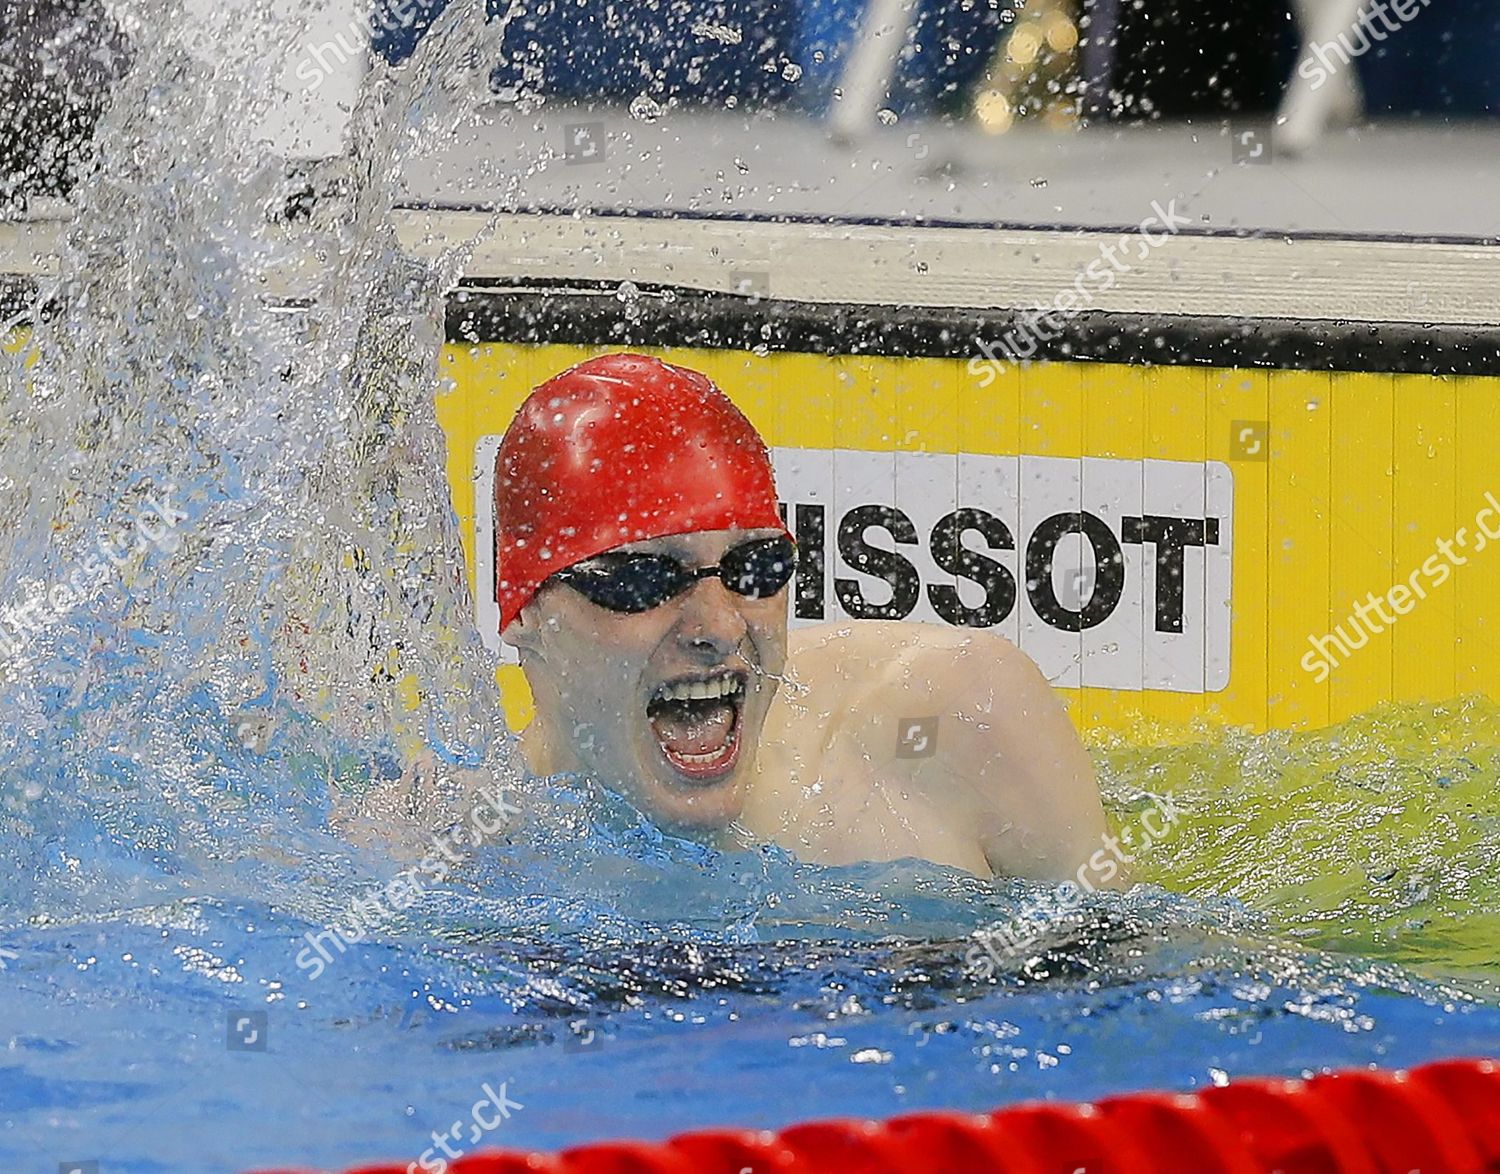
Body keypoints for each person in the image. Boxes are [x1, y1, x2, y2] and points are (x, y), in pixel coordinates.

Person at [495, 352, 1108, 880]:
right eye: (645, 579)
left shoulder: (956, 716)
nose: (720, 628)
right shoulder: (457, 850)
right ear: (522, 610)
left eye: (752, 567)